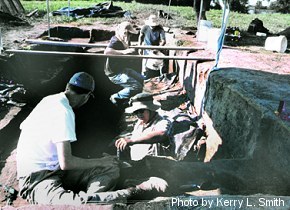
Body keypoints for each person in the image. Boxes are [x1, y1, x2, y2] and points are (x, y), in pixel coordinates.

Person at [16, 72, 165, 205]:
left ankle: (94, 198)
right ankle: (135, 191)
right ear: (87, 97)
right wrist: (100, 161)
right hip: (36, 179)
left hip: (54, 169)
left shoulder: (50, 100)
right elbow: (66, 162)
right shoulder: (64, 112)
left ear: (68, 86)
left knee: (110, 167)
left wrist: (101, 163)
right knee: (74, 205)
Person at [115, 93, 172, 161]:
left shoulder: (162, 122)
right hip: (137, 165)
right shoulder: (139, 123)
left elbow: (161, 134)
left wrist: (132, 141)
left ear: (150, 109)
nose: (139, 114)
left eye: (141, 111)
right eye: (136, 112)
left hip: (155, 167)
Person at [104, 21, 144, 107]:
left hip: (122, 69)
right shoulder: (115, 40)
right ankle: (116, 97)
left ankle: (133, 98)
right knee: (136, 86)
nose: (131, 36)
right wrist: (124, 52)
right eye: (129, 34)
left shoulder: (124, 40)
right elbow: (107, 51)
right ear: (125, 32)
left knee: (141, 79)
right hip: (114, 73)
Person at [138, 14, 167, 79]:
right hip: (146, 48)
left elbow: (163, 41)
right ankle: (144, 78)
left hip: (156, 48)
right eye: (151, 25)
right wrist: (139, 47)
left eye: (154, 25)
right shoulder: (145, 27)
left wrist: (158, 48)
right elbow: (140, 37)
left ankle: (161, 76)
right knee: (145, 64)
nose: (153, 27)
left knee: (160, 64)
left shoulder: (160, 28)